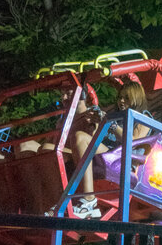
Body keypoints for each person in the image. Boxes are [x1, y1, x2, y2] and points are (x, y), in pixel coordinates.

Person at [65, 82, 151, 218]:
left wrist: (111, 124)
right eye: (120, 97)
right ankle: (58, 200)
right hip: (107, 152)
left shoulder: (143, 117)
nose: (121, 101)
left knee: (80, 137)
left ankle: (89, 200)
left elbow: (133, 141)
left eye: (126, 98)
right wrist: (94, 123)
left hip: (120, 158)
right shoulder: (116, 115)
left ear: (136, 98)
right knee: (53, 149)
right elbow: (96, 138)